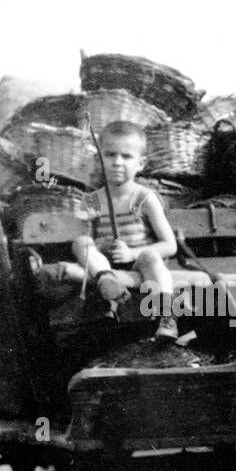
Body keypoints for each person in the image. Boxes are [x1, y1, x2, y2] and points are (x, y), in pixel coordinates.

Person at [70, 120, 179, 343]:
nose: (117, 162)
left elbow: (170, 245)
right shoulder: (91, 200)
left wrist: (132, 253)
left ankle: (167, 317)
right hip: (106, 265)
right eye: (110, 155)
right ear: (98, 159)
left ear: (141, 163)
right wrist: (99, 245)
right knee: (80, 242)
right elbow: (89, 242)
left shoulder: (144, 198)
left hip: (141, 264)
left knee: (151, 255)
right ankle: (107, 281)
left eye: (126, 156)